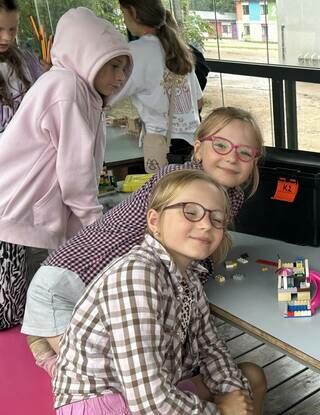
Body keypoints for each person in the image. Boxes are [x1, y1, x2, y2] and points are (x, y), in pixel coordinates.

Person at [52, 170, 319, 415]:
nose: (206, 224)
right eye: (190, 211)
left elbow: (211, 347)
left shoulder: (186, 276)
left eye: (217, 218)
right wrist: (223, 414)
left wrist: (234, 408)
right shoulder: (136, 276)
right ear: (154, 220)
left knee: (249, 377)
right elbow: (150, 399)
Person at [22, 107, 262, 369]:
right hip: (67, 286)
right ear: (198, 149)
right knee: (98, 374)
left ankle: (42, 334)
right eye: (220, 145)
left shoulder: (232, 196)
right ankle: (45, 345)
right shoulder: (177, 182)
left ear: (254, 162)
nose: (232, 157)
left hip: (102, 294)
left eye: (245, 152)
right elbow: (185, 264)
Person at [0, 7, 131, 330]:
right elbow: (75, 174)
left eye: (124, 68)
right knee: (5, 314)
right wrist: (96, 226)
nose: (120, 77)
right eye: (113, 66)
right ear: (87, 56)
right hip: (8, 207)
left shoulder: (84, 93)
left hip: (18, 212)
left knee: (14, 309)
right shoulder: (66, 89)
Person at [113, 0, 203, 173]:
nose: (124, 20)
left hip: (162, 143)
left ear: (134, 13)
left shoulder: (135, 52)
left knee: (162, 189)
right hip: (192, 142)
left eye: (124, 13)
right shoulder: (180, 49)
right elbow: (199, 101)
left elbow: (110, 95)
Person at [0, 0, 44, 140]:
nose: (7, 37)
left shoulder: (26, 59)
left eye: (12, 29)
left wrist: (49, 73)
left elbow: (44, 94)